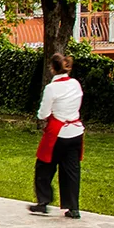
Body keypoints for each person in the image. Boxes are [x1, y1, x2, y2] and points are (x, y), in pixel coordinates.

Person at [28, 52, 84, 218]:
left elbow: (43, 113)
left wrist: (43, 116)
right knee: (72, 170)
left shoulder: (51, 88)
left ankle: (43, 201)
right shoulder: (75, 84)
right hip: (76, 132)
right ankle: (73, 207)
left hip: (58, 133)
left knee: (44, 167)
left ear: (52, 69)